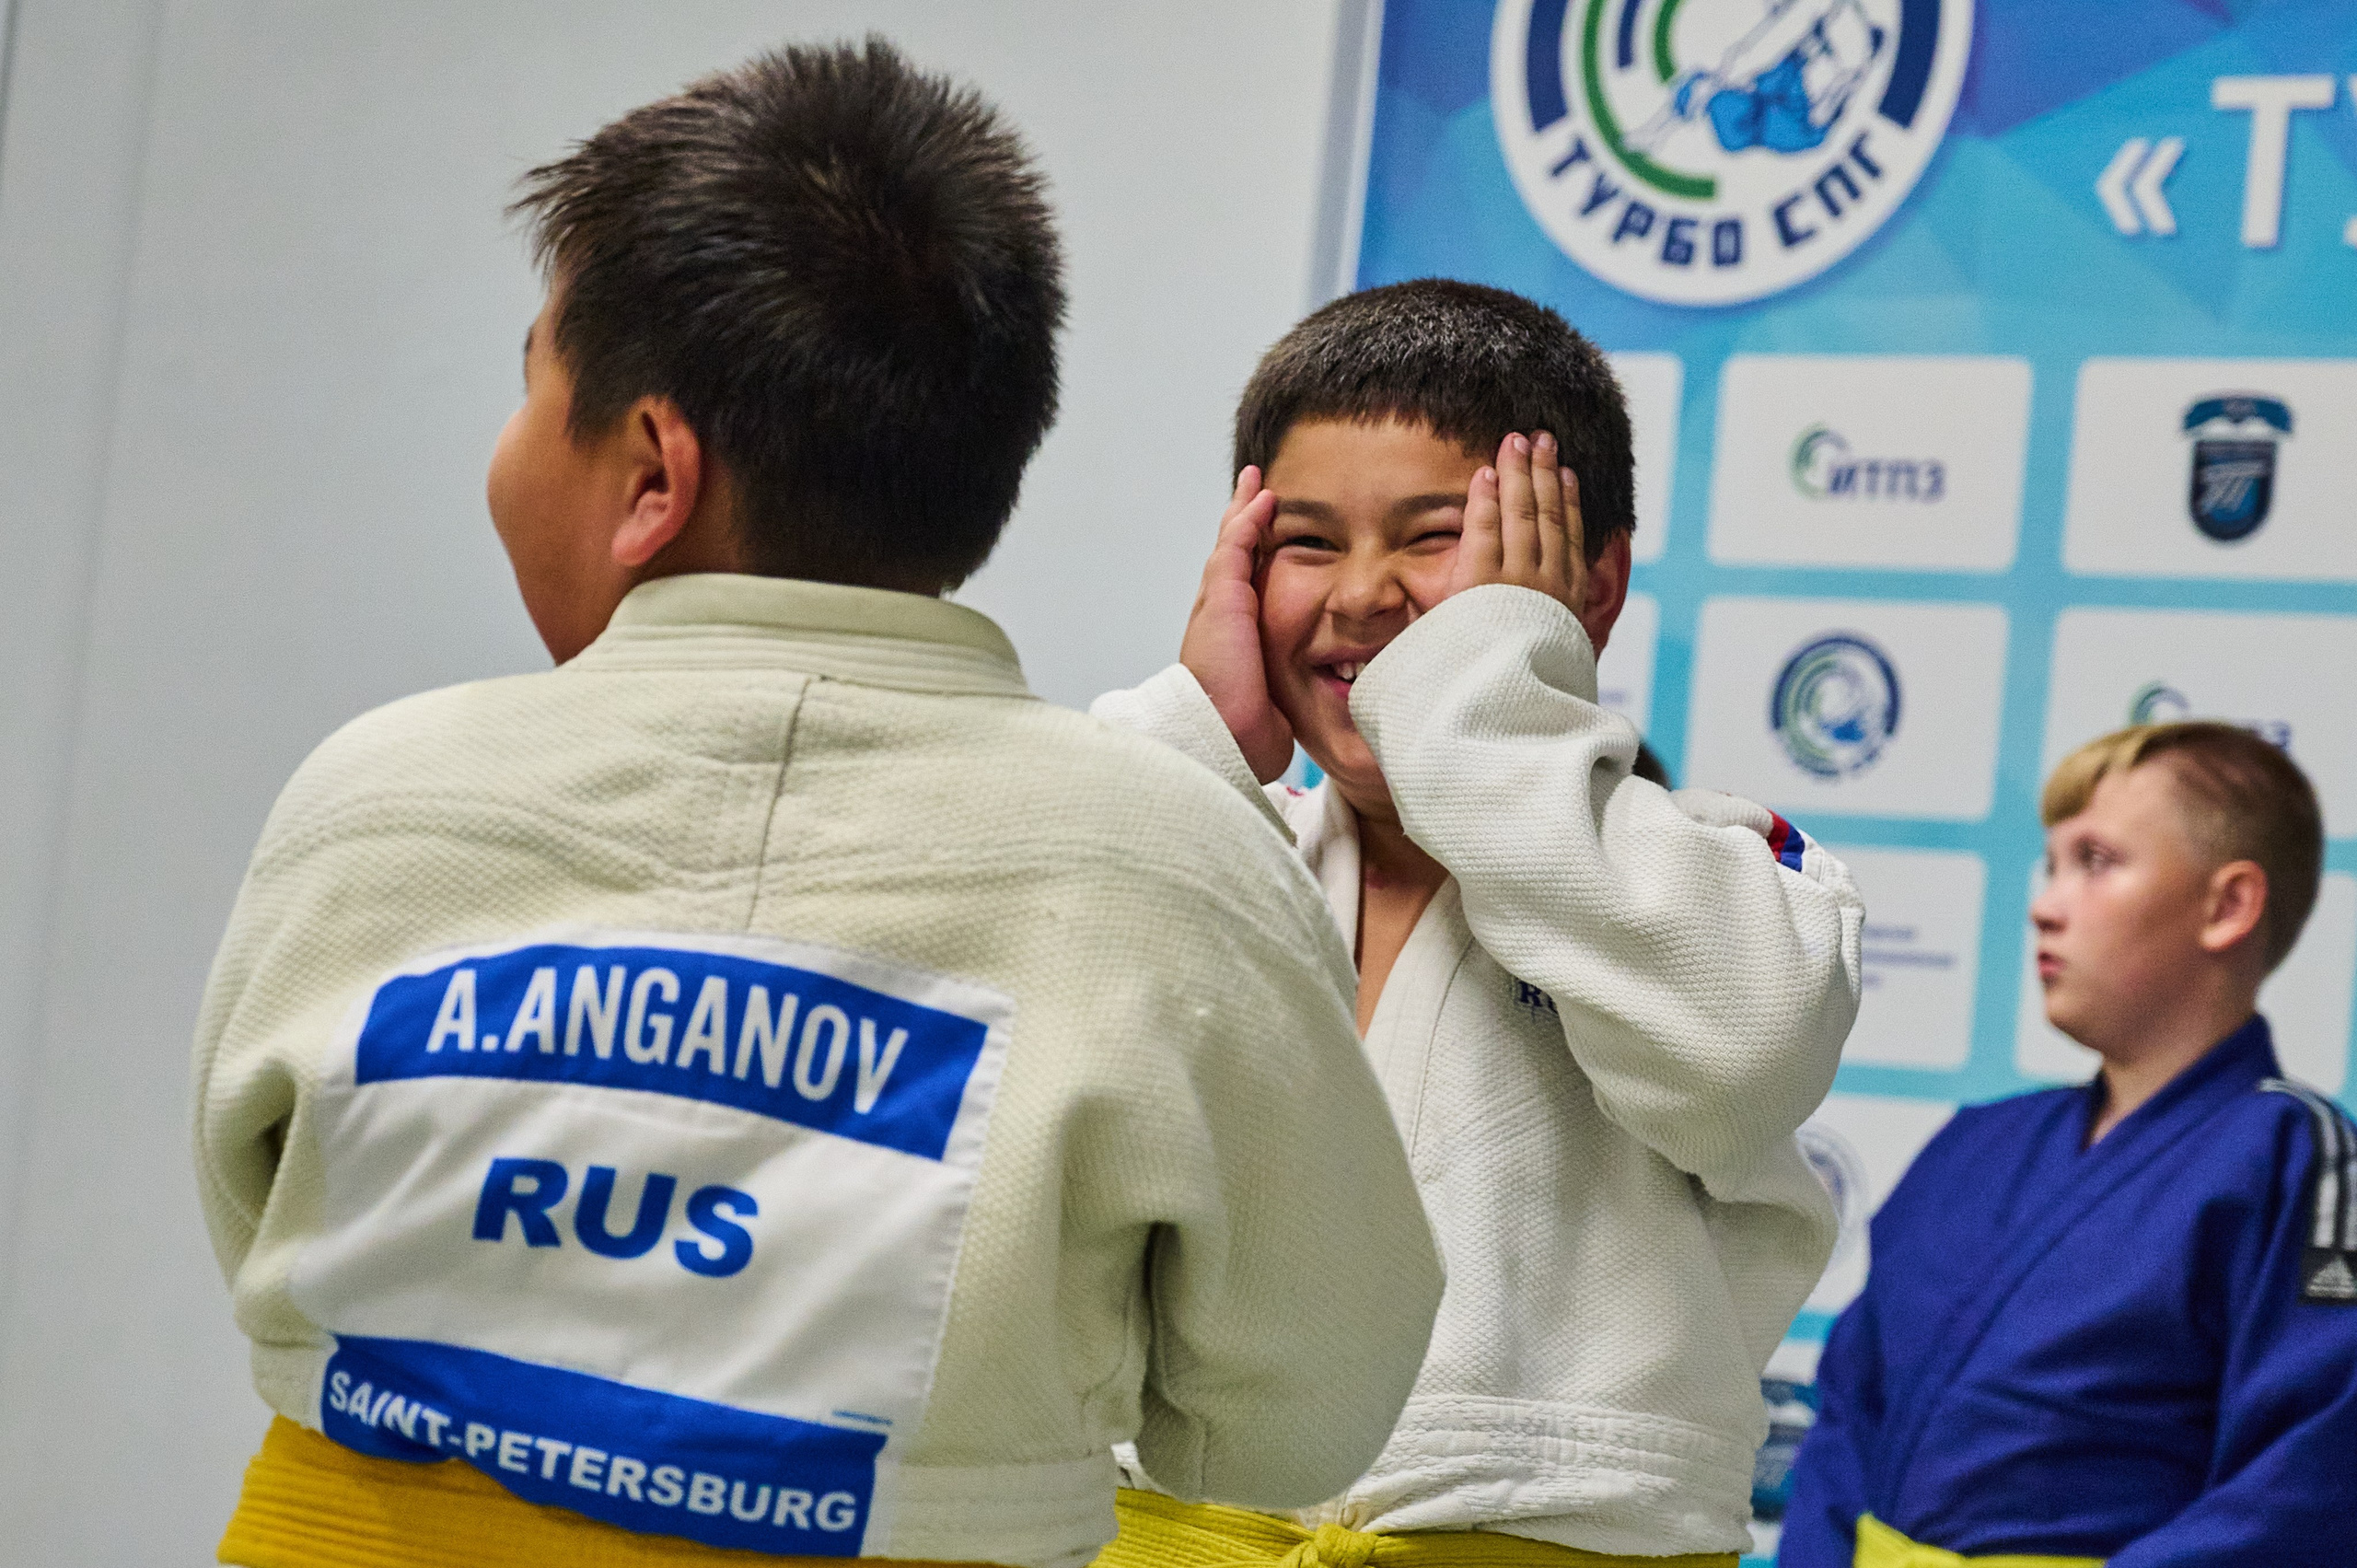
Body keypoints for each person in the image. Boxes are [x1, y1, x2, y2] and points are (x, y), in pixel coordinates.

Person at [191, 41, 1442, 1568]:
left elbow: (257, 1218)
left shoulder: (376, 798)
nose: (507, 454)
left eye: (532, 389)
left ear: (655, 472)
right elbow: (1301, 1409)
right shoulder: (1177, 868)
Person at [1090, 279, 1865, 1567]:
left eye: (1434, 534)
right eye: (1305, 540)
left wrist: (1492, 704)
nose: (1364, 591)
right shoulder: (1209, 834)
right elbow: (1008, 1045)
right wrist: (1193, 747)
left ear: (1592, 580)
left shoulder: (1718, 875)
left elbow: (1741, 1052)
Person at [1781, 722, 2357, 1567]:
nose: (2045, 904)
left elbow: (2308, 1487)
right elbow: (1847, 1414)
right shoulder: (1977, 1144)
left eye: (2095, 861)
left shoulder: (2297, 1161)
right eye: (2052, 866)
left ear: (2227, 905)